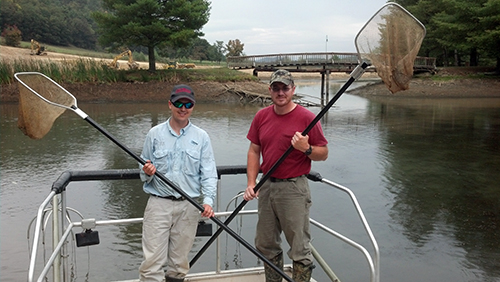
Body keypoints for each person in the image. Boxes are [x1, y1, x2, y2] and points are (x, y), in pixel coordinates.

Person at [243, 70, 329, 282]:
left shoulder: (307, 118)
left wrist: (306, 148)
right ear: (270, 90)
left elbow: (323, 153)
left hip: (293, 189)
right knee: (265, 243)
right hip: (266, 187)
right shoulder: (261, 116)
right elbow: (254, 151)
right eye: (276, 88)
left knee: (299, 246)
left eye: (285, 88)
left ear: (293, 90)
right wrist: (252, 183)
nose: (280, 92)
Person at [138, 84, 217, 282]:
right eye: (178, 103)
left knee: (179, 264)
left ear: (193, 106)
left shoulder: (202, 137)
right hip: (158, 204)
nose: (183, 108)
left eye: (188, 104)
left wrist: (208, 201)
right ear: (170, 105)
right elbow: (142, 170)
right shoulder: (154, 134)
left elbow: (208, 172)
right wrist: (146, 171)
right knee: (151, 263)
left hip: (189, 206)